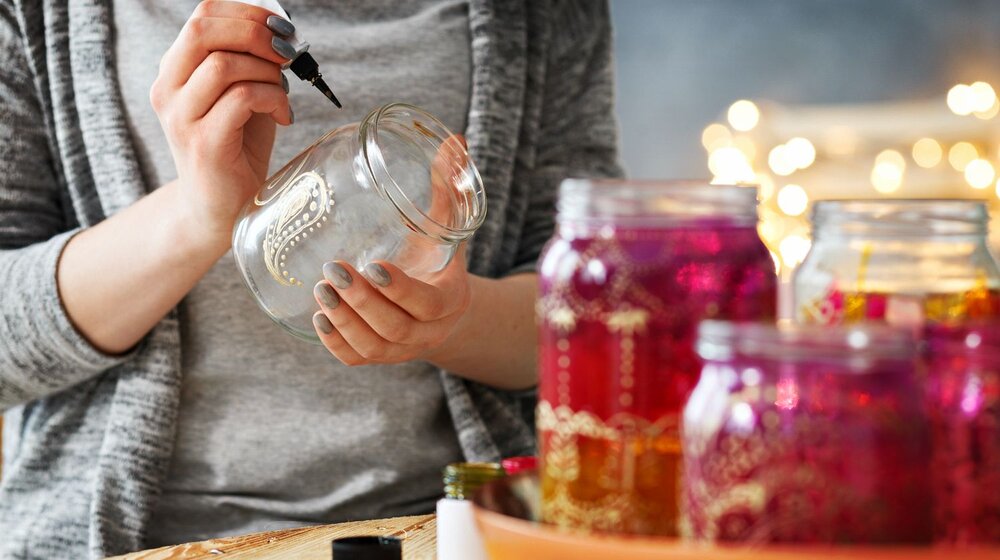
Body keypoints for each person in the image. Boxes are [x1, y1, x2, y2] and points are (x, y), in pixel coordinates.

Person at [0, 0, 622, 557]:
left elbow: (597, 324)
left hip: (450, 534)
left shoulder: (546, 14)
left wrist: (456, 320)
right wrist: (196, 216)